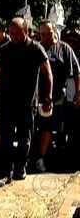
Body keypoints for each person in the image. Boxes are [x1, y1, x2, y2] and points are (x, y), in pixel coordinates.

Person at [0, 17, 53, 186]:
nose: (12, 36)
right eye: (10, 32)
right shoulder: (4, 49)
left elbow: (47, 72)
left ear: (25, 32)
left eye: (16, 33)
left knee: (24, 138)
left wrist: (47, 96)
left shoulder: (35, 48)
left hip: (27, 102)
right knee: (5, 137)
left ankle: (21, 167)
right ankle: (6, 171)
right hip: (7, 101)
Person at [35, 19, 80, 172]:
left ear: (55, 32)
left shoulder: (64, 49)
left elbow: (76, 71)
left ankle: (56, 159)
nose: (45, 37)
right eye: (42, 34)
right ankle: (40, 158)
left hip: (59, 98)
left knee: (60, 130)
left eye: (48, 33)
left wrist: (78, 92)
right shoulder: (38, 48)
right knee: (42, 129)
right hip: (38, 98)